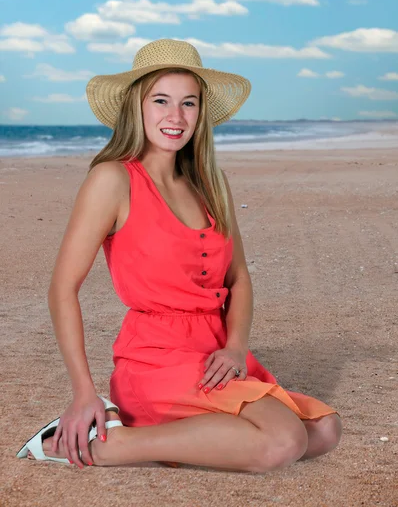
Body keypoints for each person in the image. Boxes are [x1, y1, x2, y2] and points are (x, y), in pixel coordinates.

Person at [17, 39, 342, 473]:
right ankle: (97, 446)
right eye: (162, 101)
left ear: (200, 112)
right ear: (138, 106)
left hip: (215, 355)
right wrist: (84, 392)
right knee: (283, 442)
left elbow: (238, 278)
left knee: (324, 430)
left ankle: (156, 437)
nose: (176, 117)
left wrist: (235, 347)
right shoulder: (113, 179)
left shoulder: (211, 181)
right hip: (154, 358)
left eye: (188, 103)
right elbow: (62, 289)